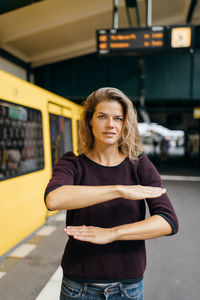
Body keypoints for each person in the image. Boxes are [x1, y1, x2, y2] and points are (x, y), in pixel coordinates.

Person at [44, 87, 178, 300]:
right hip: (78, 287)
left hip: (127, 288)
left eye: (118, 118)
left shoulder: (139, 165)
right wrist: (119, 190)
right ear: (90, 120)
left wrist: (112, 233)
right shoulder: (73, 164)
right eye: (102, 117)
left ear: (125, 124)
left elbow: (167, 221)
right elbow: (54, 198)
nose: (110, 125)